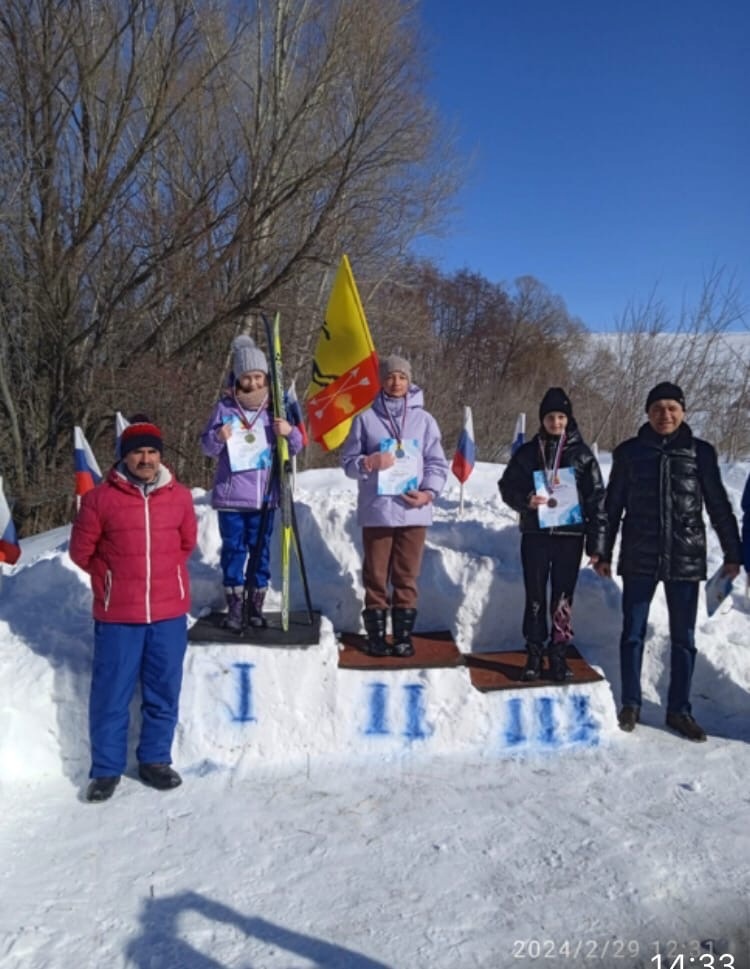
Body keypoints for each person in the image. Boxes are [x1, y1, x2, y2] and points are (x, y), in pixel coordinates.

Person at [594, 382, 741, 741]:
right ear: (647, 412)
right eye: (658, 408)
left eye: (673, 408)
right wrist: (603, 550)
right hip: (640, 555)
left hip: (685, 557)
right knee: (632, 633)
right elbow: (611, 506)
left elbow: (719, 505)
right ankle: (631, 703)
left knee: (684, 638)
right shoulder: (629, 453)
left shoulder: (700, 452)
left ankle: (679, 710)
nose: (666, 415)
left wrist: (733, 553)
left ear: (684, 412)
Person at [69, 419, 197, 802]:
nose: (146, 458)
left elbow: (187, 543)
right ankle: (106, 770)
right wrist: (110, 579)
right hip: (118, 617)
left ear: (161, 456)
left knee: (163, 691)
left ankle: (155, 761)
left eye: (152, 452)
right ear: (124, 456)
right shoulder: (99, 499)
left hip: (168, 614)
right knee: (111, 694)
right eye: (138, 451)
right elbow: (81, 553)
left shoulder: (179, 497)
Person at [340, 354, 449, 657]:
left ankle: (402, 636)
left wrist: (429, 493)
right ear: (381, 380)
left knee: (406, 575)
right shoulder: (365, 418)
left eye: (402, 377)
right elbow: (348, 463)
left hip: (414, 510)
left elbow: (437, 464)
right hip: (378, 509)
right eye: (390, 377)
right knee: (376, 575)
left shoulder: (424, 420)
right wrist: (368, 462)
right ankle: (376, 636)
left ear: (409, 380)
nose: (396, 382)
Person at [499, 388, 607, 682]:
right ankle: (534, 654)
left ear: (569, 419)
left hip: (570, 538)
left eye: (561, 417)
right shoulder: (528, 452)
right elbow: (506, 486)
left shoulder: (582, 455)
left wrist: (597, 545)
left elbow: (598, 500)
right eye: (550, 417)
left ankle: (558, 654)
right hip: (536, 534)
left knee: (563, 598)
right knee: (534, 596)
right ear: (542, 419)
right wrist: (526, 499)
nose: (556, 422)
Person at [200, 334, 303, 630]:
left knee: (260, 552)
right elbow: (207, 448)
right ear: (238, 378)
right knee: (234, 550)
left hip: (264, 496)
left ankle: (255, 605)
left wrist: (288, 431)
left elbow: (296, 446)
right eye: (248, 378)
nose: (254, 383)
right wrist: (217, 438)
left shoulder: (275, 408)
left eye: (259, 377)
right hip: (231, 497)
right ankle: (235, 606)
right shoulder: (224, 409)